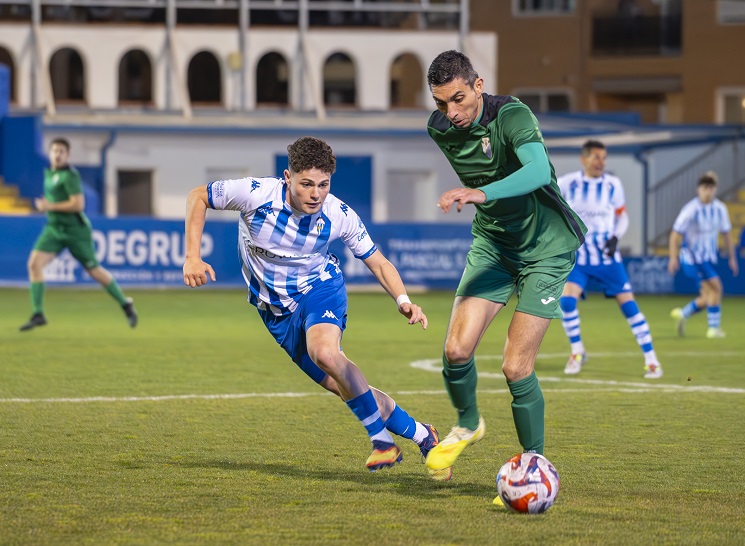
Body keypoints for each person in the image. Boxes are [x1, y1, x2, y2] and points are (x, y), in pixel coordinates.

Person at [182, 136, 443, 474]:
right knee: (344, 386)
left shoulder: (337, 214)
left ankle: (381, 442)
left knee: (325, 353)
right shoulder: (256, 193)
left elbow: (378, 261)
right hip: (276, 312)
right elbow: (198, 196)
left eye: (323, 184)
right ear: (287, 177)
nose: (316, 193)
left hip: (320, 288)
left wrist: (404, 299)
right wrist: (192, 256)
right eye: (306, 184)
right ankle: (424, 435)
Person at [421, 50, 587, 492]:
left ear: (478, 85)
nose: (451, 113)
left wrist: (481, 192)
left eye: (458, 98)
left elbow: (536, 171)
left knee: (516, 367)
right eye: (441, 103)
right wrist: (483, 200)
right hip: (494, 245)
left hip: (546, 249)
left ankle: (534, 471)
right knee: (456, 350)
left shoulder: (512, 115)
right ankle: (468, 423)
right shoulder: (440, 129)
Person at [556, 140, 662, 379]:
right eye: (596, 157)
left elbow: (622, 217)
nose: (601, 162)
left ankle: (651, 359)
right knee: (567, 303)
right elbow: (551, 208)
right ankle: (577, 351)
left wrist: (616, 237)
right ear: (584, 159)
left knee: (629, 307)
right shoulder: (567, 183)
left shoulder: (613, 184)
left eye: (603, 157)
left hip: (607, 258)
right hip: (579, 257)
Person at [19, 137, 137, 331]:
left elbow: (78, 204)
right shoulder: (49, 172)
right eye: (54, 151)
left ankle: (125, 303)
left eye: (61, 152)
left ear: (68, 155)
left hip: (76, 231)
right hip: (54, 229)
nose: (57, 155)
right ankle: (38, 313)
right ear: (49, 153)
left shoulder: (70, 176)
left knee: (94, 271)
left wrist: (49, 206)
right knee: (34, 264)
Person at [668, 171, 738, 338]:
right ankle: (713, 329)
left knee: (708, 296)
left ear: (715, 189)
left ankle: (683, 314)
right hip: (692, 258)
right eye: (705, 188)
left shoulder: (720, 209)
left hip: (707, 258)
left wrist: (732, 257)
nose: (708, 191)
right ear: (698, 189)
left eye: (711, 188)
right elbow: (675, 234)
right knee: (716, 288)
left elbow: (727, 234)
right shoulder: (691, 209)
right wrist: (673, 257)